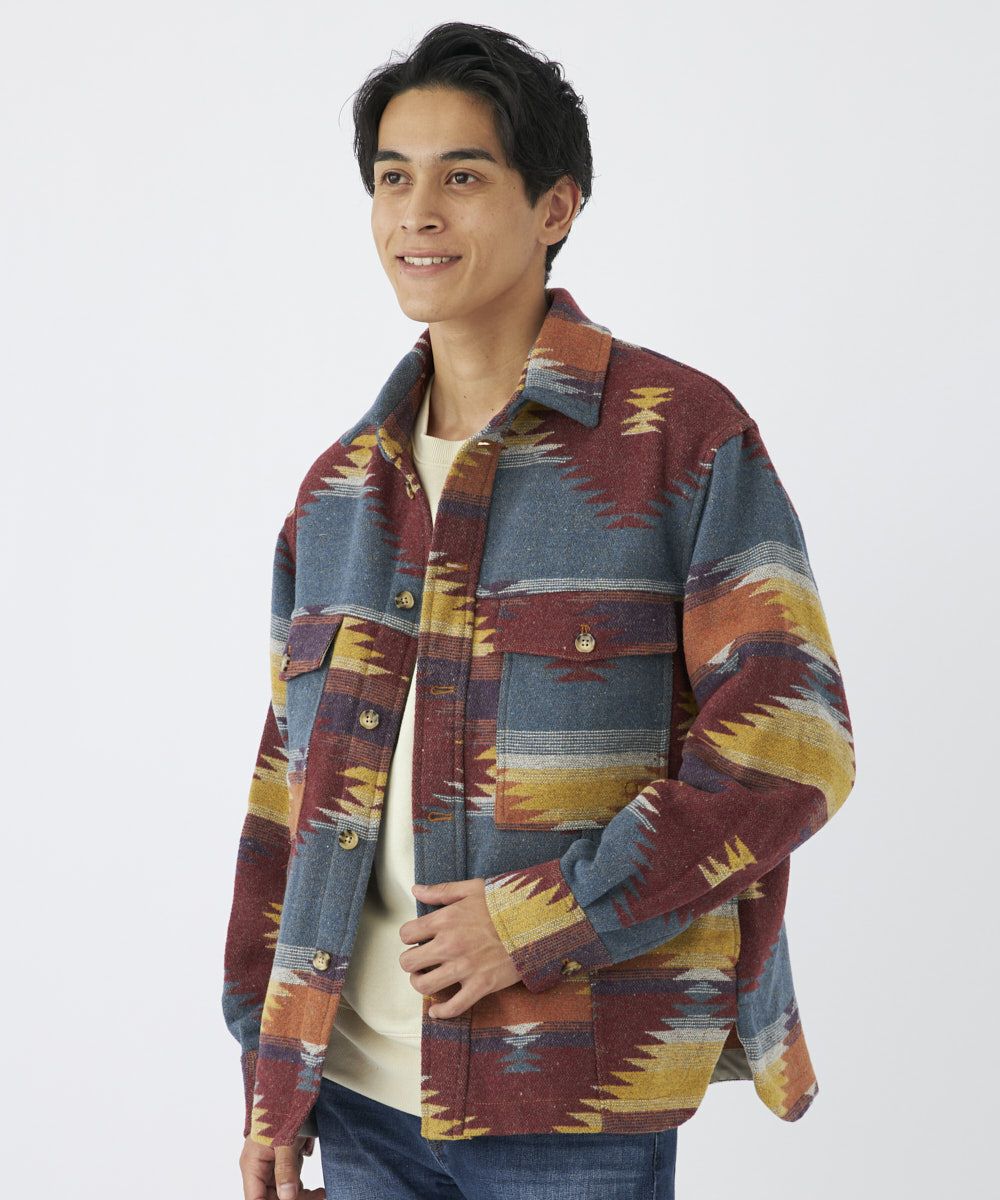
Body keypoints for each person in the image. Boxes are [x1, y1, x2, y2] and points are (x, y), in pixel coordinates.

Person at [223, 20, 856, 1200]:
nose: (418, 214)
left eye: (461, 177)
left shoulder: (677, 442)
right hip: (352, 1097)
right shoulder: (339, 492)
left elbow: (792, 748)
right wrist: (271, 1078)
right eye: (392, 179)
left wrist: (543, 916)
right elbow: (287, 803)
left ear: (554, 206)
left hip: (572, 1100)